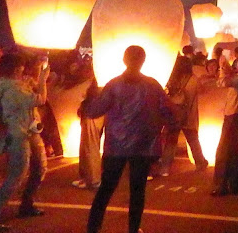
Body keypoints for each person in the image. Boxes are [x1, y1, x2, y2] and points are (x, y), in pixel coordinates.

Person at [82, 45, 177, 233]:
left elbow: (94, 111)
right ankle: (133, 229)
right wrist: (164, 126)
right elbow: (169, 111)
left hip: (115, 145)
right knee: (137, 190)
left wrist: (88, 99)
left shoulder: (113, 84)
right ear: (143, 61)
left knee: (106, 189)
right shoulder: (152, 85)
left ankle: (93, 229)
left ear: (124, 60)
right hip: (143, 146)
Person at [0, 53, 50, 232]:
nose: (23, 69)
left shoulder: (11, 84)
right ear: (15, 68)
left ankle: (27, 204)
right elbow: (40, 100)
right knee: (16, 176)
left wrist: (34, 81)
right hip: (19, 135)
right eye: (20, 66)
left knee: (40, 167)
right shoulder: (12, 87)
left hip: (28, 132)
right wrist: (43, 80)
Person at [158, 55, 208, 176]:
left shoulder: (172, 80)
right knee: (193, 140)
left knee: (171, 141)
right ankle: (200, 163)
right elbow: (202, 91)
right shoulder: (193, 79)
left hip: (174, 115)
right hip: (188, 115)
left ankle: (165, 168)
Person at [212, 47, 238, 196]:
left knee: (223, 149)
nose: (237, 63)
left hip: (235, 114)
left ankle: (221, 185)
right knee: (232, 149)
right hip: (233, 113)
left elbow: (222, 82)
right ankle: (237, 183)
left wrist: (222, 66)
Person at [72, 60, 104, 189]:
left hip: (93, 112)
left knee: (90, 146)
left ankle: (93, 179)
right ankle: (87, 177)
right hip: (93, 112)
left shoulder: (99, 80)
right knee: (87, 146)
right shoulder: (97, 80)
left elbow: (93, 96)